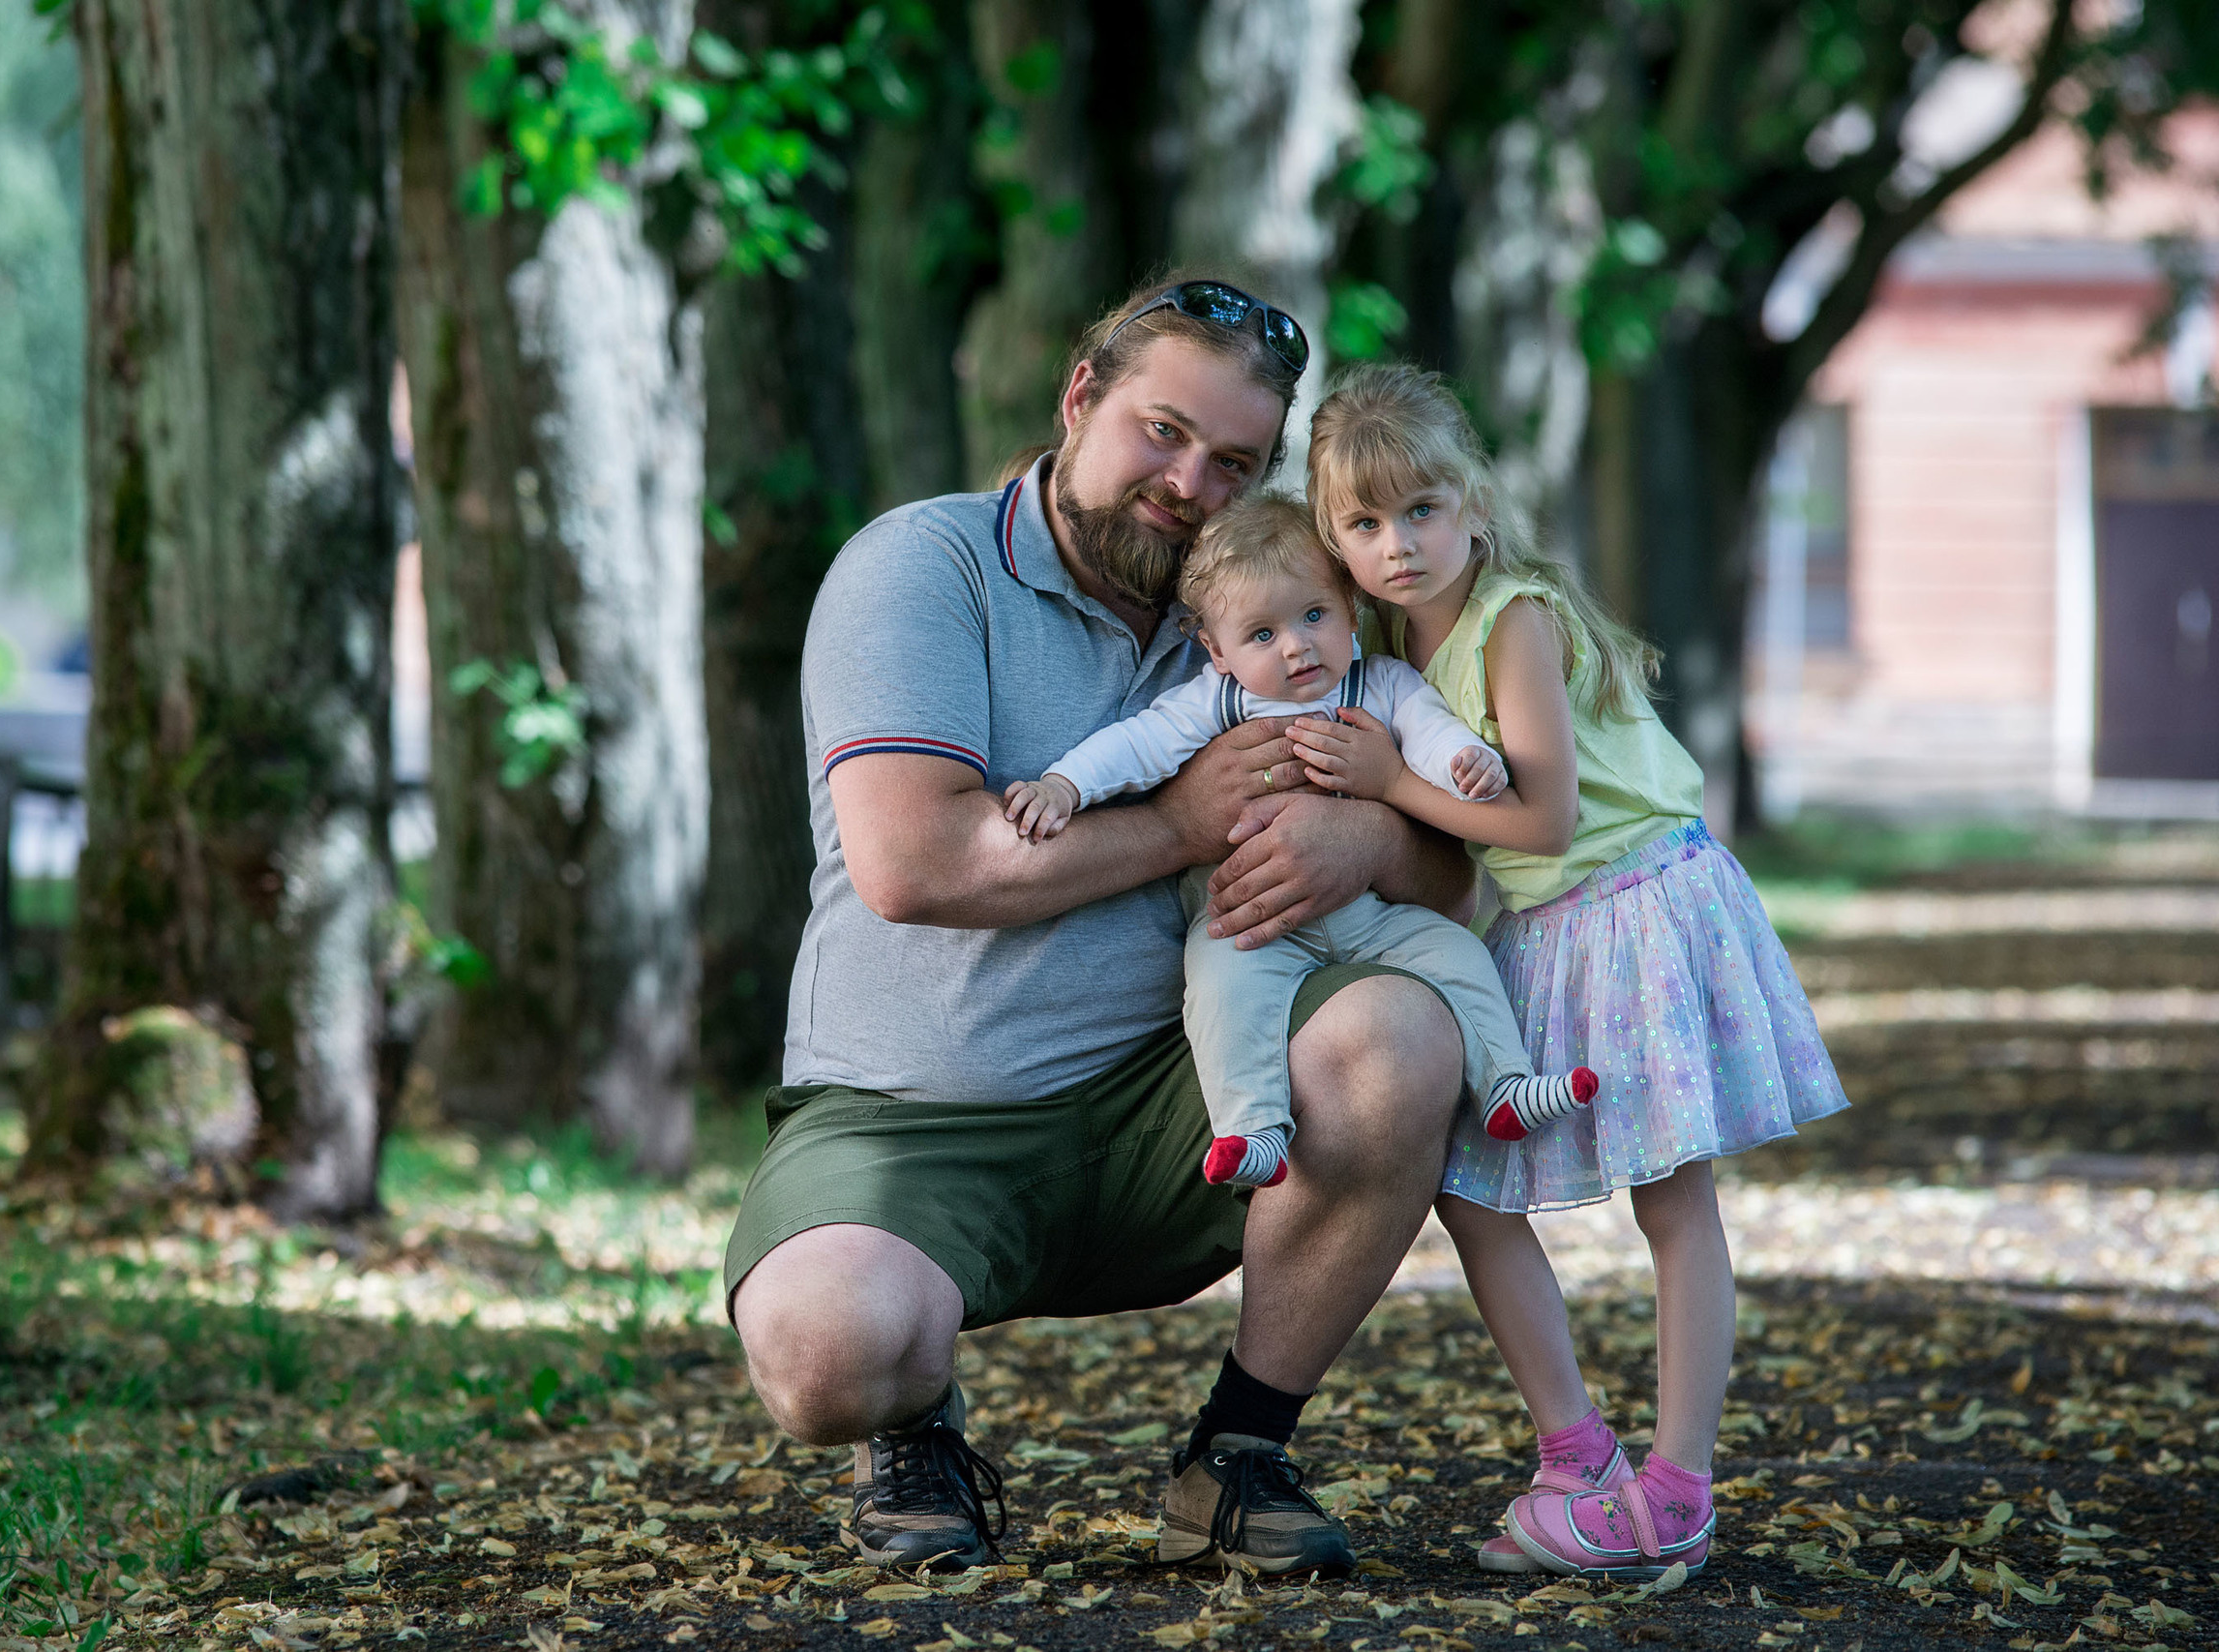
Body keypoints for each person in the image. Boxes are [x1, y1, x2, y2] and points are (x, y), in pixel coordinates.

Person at [723, 280, 1478, 1579]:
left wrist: (1373, 841)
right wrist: (1183, 821)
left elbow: (1458, 877)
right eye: (1161, 432)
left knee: (1401, 1033)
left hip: (1183, 1097)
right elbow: (914, 862)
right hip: (917, 1117)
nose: (1188, 483)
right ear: (1081, 397)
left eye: (1232, 461)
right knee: (825, 1354)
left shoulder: (1276, 605)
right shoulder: (923, 565)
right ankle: (912, 1425)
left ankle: (1238, 1454)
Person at [1289, 363, 1849, 1584]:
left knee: (1671, 1199)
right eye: (1364, 524)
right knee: (1470, 1185)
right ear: (1333, 541)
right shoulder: (1387, 651)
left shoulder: (1514, 621)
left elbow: (1542, 823)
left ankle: (1677, 1490)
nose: (1399, 545)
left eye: (1422, 510)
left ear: (1475, 504)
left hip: (1639, 905)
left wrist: (1390, 784)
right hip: (1547, 929)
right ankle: (1578, 1457)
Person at [1000, 496, 1599, 1187]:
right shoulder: (1218, 702)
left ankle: (1507, 1084)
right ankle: (1254, 1130)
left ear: (1350, 607)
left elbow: (1430, 733)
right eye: (1261, 634)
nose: (1296, 645)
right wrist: (1065, 785)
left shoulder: (1380, 682)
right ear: (1216, 650)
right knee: (1220, 988)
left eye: (1314, 615)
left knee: (1458, 952)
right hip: (1252, 921)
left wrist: (1469, 762)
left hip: (1372, 914)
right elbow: (1138, 743)